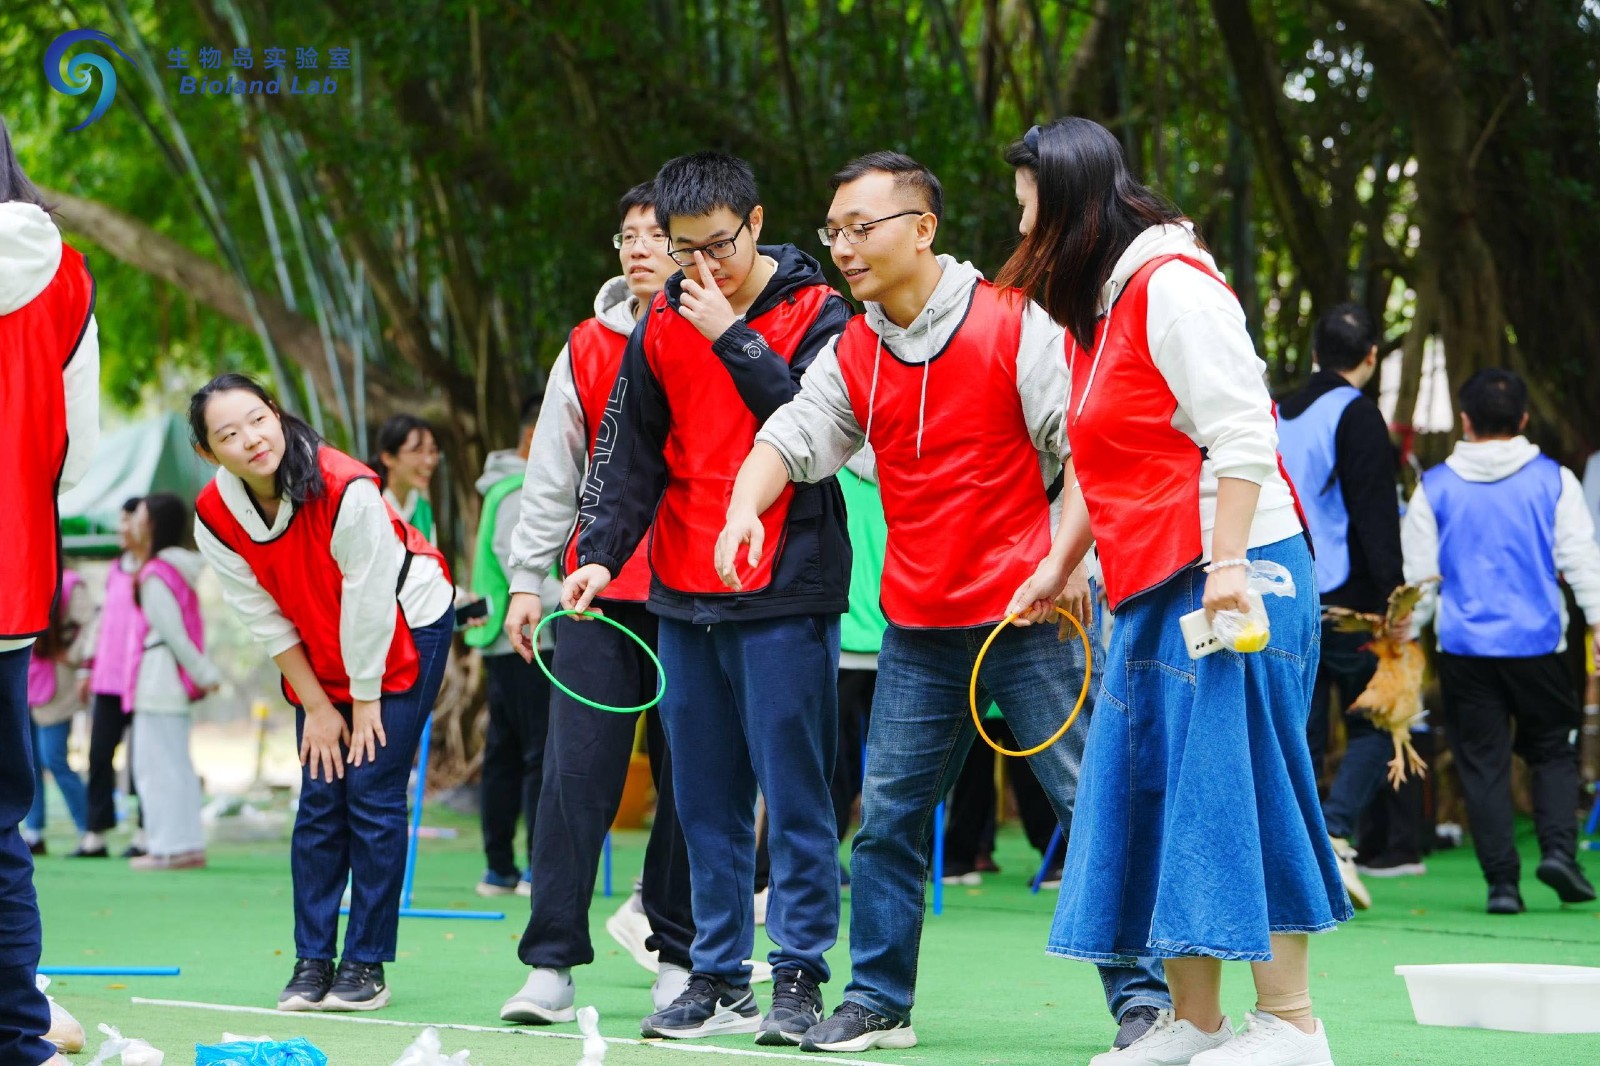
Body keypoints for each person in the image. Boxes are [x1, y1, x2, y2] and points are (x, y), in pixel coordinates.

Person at [720, 151, 1168, 1054]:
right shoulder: (854, 348)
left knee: (1091, 807)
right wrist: (740, 509)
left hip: (1031, 614)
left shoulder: (1014, 320)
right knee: (886, 824)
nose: (845, 248)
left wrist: (1068, 563)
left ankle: (1145, 1001)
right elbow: (794, 434)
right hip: (919, 628)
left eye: (862, 228)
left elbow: (1086, 450)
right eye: (834, 232)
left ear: (923, 228)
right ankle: (879, 1000)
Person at [997, 118, 1349, 1065]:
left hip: (1235, 576)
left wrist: (1227, 565)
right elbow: (1097, 461)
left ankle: (1292, 1024)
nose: (1022, 233)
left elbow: (1242, 433)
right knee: (1158, 791)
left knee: (1245, 785)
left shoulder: (1176, 289)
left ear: (1072, 209)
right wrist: (1058, 566)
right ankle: (1195, 1022)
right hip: (1151, 582)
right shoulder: (1099, 310)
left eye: (1030, 211)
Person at [562, 152, 852, 1045]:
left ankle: (798, 975)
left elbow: (815, 425)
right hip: (682, 589)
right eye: (684, 250)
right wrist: (599, 557)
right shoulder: (660, 320)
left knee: (795, 797)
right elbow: (629, 454)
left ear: (756, 223)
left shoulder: (821, 311)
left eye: (718, 245)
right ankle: (716, 977)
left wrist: (732, 334)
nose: (702, 267)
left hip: (786, 586)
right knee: (701, 801)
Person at [190, 373, 454, 1012]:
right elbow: (263, 616)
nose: (251, 439)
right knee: (319, 797)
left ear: (276, 413)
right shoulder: (214, 515)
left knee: (371, 788)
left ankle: (365, 965)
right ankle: (312, 960)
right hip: (320, 641)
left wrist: (361, 703)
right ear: (207, 451)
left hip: (405, 622)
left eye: (258, 419)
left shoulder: (346, 486)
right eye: (228, 434)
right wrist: (315, 706)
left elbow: (370, 601)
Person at [499, 181, 697, 1026]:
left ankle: (680, 960)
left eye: (658, 234)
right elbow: (552, 473)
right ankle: (549, 965)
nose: (640, 247)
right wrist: (526, 580)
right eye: (628, 235)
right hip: (595, 597)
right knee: (573, 777)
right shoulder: (586, 346)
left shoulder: (730, 334)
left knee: (694, 784)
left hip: (701, 596)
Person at [1401, 368, 1600, 914]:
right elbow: (1581, 560)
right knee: (1552, 751)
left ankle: (1502, 885)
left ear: (1465, 421)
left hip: (1465, 650)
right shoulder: (1555, 480)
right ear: (1525, 419)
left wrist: (1406, 633)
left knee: (1483, 763)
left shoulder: (1433, 487)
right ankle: (1558, 852)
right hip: (1539, 644)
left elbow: (1420, 580)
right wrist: (1597, 622)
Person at [0, 111, 100, 1066]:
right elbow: (79, 453)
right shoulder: (66, 277)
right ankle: (17, 1038)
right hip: (11, 579)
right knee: (1, 827)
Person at [1277, 302, 1406, 906]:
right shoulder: (1357, 413)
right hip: (1350, 600)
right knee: (1378, 721)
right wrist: (1394, 598)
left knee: (1298, 729)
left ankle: (1297, 852)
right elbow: (1376, 514)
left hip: (1283, 592)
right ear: (1372, 357)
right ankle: (1332, 833)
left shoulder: (1275, 410)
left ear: (1314, 353)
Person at [465, 395, 551, 898]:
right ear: (534, 434)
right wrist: (575, 596)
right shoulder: (521, 488)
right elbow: (519, 563)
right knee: (536, 751)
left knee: (506, 750)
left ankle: (501, 867)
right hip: (527, 636)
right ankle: (531, 867)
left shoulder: (503, 483)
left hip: (504, 638)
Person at [126, 493, 220, 871]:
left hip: (158, 681)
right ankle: (184, 845)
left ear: (153, 525)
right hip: (170, 681)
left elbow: (174, 634)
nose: (133, 524)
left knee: (157, 768)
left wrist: (204, 673)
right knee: (175, 765)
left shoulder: (155, 574)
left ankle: (168, 847)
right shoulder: (180, 569)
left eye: (139, 517)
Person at [80, 498, 146, 858]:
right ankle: (96, 835)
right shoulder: (115, 570)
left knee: (143, 761)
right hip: (108, 679)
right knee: (99, 756)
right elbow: (101, 622)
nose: (122, 528)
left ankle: (145, 834)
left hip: (144, 681)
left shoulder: (157, 568)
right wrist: (86, 668)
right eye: (121, 521)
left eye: (128, 520)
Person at [23, 569, 95, 856]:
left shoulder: (70, 584)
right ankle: (33, 832)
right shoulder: (19, 576)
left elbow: (92, 625)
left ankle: (89, 830)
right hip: (22, 680)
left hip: (56, 686)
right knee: (27, 762)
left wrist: (74, 656)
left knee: (53, 758)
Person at [371, 414, 442, 542]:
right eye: (418, 451)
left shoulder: (423, 511)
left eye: (432, 451)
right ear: (388, 458)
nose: (429, 461)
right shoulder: (371, 508)